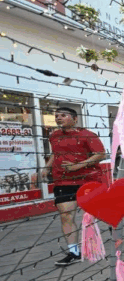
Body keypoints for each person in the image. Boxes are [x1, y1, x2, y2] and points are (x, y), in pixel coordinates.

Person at [41, 107, 106, 266]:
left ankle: (94, 244)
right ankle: (74, 252)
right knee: (66, 215)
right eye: (56, 116)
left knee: (89, 216)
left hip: (87, 180)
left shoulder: (87, 135)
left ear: (75, 119)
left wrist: (78, 166)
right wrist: (47, 167)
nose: (58, 118)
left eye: (63, 115)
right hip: (63, 181)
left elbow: (101, 154)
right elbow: (56, 154)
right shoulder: (54, 136)